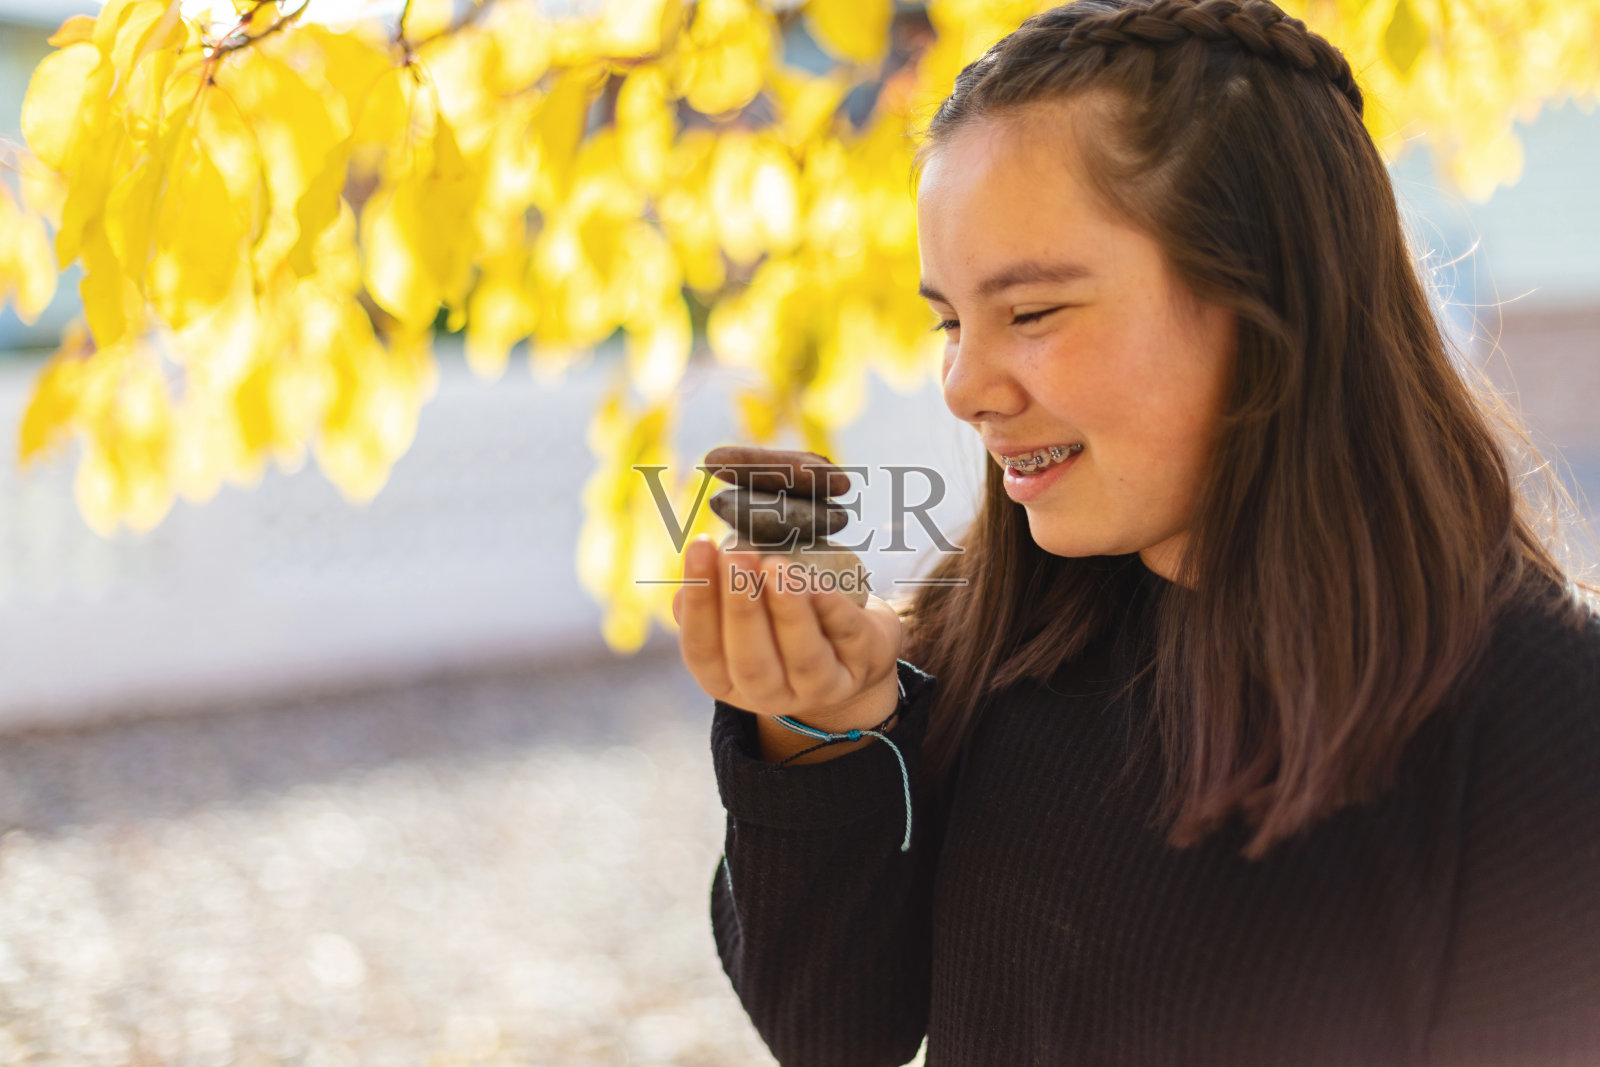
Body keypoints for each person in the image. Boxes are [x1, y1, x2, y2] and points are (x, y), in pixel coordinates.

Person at [671, 0, 1600, 1063]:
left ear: (1261, 299)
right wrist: (823, 723)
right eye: (949, 321)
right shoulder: (1001, 632)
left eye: (1030, 313)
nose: (964, 384)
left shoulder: (1535, 711)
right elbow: (835, 1029)